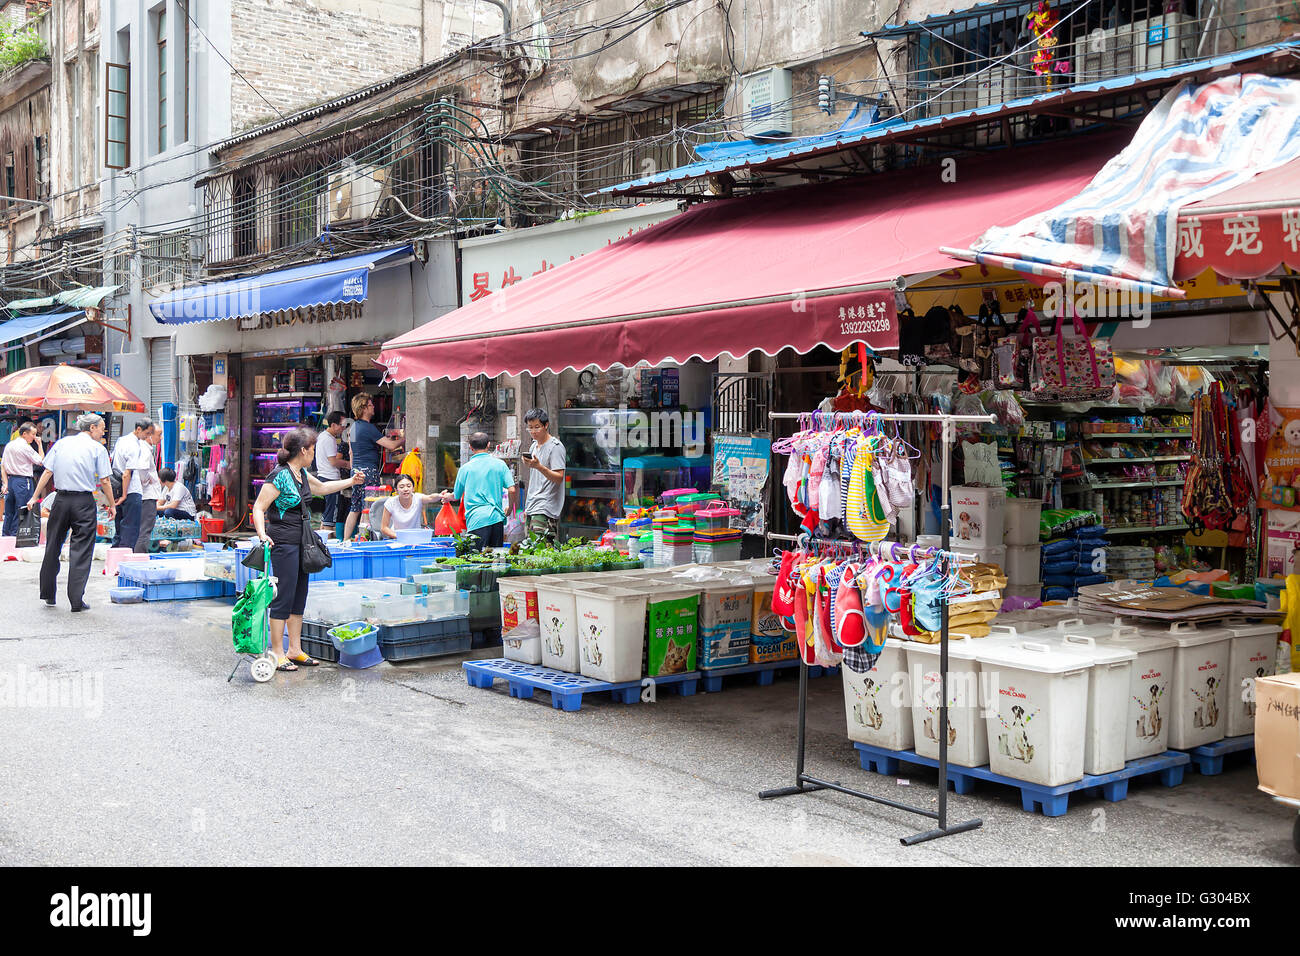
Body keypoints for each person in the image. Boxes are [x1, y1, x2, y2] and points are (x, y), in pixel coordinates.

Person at [252, 426, 364, 672]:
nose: (314, 454)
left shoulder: (300, 472)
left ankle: (295, 649)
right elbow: (259, 508)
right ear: (303, 450)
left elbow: (323, 488)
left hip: (301, 541)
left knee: (299, 596)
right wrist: (262, 535)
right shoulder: (279, 475)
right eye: (312, 450)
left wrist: (351, 481)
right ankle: (277, 652)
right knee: (283, 596)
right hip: (282, 542)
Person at [31, 413, 114, 612]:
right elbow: (105, 480)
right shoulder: (97, 448)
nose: (103, 432)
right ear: (92, 428)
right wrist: (112, 504)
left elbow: (48, 471)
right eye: (102, 428)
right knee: (82, 549)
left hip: (60, 500)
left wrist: (35, 497)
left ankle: (49, 595)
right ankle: (76, 601)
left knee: (53, 545)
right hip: (83, 501)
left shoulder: (62, 443)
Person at [342, 392, 403, 542]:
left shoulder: (353, 427)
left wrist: (353, 469)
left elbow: (351, 451)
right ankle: (363, 539)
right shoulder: (368, 428)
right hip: (369, 471)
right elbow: (391, 445)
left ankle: (345, 540)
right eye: (370, 405)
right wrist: (404, 437)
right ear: (363, 408)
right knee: (369, 506)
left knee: (355, 507)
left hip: (355, 471)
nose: (373, 407)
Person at [440, 431, 516, 549]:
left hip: (476, 520)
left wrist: (446, 497)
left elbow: (456, 496)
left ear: (470, 447)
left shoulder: (465, 469)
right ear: (488, 445)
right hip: (497, 518)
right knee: (496, 561)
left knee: (477, 561)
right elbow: (512, 490)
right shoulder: (500, 465)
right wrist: (510, 509)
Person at [521, 408, 566, 544]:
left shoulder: (555, 447)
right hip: (532, 505)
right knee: (531, 548)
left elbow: (559, 477)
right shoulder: (533, 447)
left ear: (546, 425)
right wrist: (527, 507)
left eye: (537, 427)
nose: (533, 431)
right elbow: (535, 480)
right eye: (530, 428)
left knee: (541, 548)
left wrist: (539, 466)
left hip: (546, 507)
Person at [110, 418, 152, 549]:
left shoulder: (121, 440)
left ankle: (114, 563)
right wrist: (124, 494)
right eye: (147, 433)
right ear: (139, 429)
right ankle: (123, 562)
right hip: (130, 491)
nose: (148, 436)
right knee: (130, 530)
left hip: (119, 489)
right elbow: (127, 473)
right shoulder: (133, 446)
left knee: (120, 530)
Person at [2, 422, 43, 537]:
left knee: (10, 511)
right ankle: (17, 535)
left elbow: (3, 466)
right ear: (24, 434)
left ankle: (6, 535)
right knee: (22, 509)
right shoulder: (25, 447)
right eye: (33, 434)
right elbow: (41, 461)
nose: (34, 437)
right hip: (23, 481)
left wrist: (5, 483)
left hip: (11, 481)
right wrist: (39, 445)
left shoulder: (9, 445)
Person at [315, 411, 349, 537]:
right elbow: (333, 461)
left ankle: (322, 541)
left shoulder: (323, 436)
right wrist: (347, 464)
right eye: (342, 424)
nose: (343, 428)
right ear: (334, 425)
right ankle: (329, 543)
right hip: (330, 479)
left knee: (326, 513)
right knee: (331, 514)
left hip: (323, 477)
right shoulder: (329, 439)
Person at [379, 473, 440, 539]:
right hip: (397, 538)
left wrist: (441, 496)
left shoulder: (418, 498)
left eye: (408, 486)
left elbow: (431, 497)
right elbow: (384, 528)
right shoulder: (390, 502)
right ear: (396, 490)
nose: (406, 489)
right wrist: (399, 537)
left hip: (416, 538)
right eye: (401, 487)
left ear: (413, 488)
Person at [134, 424, 162, 553]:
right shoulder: (145, 449)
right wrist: (146, 481)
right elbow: (142, 469)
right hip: (147, 495)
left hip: (142, 495)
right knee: (145, 530)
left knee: (140, 529)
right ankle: (139, 558)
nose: (160, 438)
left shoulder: (141, 447)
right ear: (149, 434)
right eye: (158, 435)